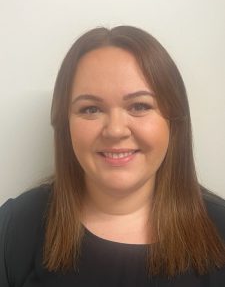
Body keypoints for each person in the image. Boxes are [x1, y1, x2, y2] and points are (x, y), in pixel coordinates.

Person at [0, 25, 225, 287]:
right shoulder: (16, 226)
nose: (115, 130)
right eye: (91, 109)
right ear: (65, 125)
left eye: (140, 106)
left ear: (173, 122)